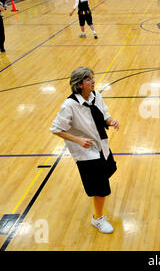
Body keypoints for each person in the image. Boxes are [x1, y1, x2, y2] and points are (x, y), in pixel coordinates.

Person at [51, 67, 120, 233]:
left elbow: (104, 113)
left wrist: (111, 121)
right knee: (101, 188)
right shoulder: (69, 105)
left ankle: (98, 197)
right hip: (86, 154)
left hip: (101, 145)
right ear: (79, 84)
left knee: (109, 171)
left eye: (92, 78)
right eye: (89, 79)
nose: (93, 81)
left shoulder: (96, 96)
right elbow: (56, 128)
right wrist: (78, 140)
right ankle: (98, 219)